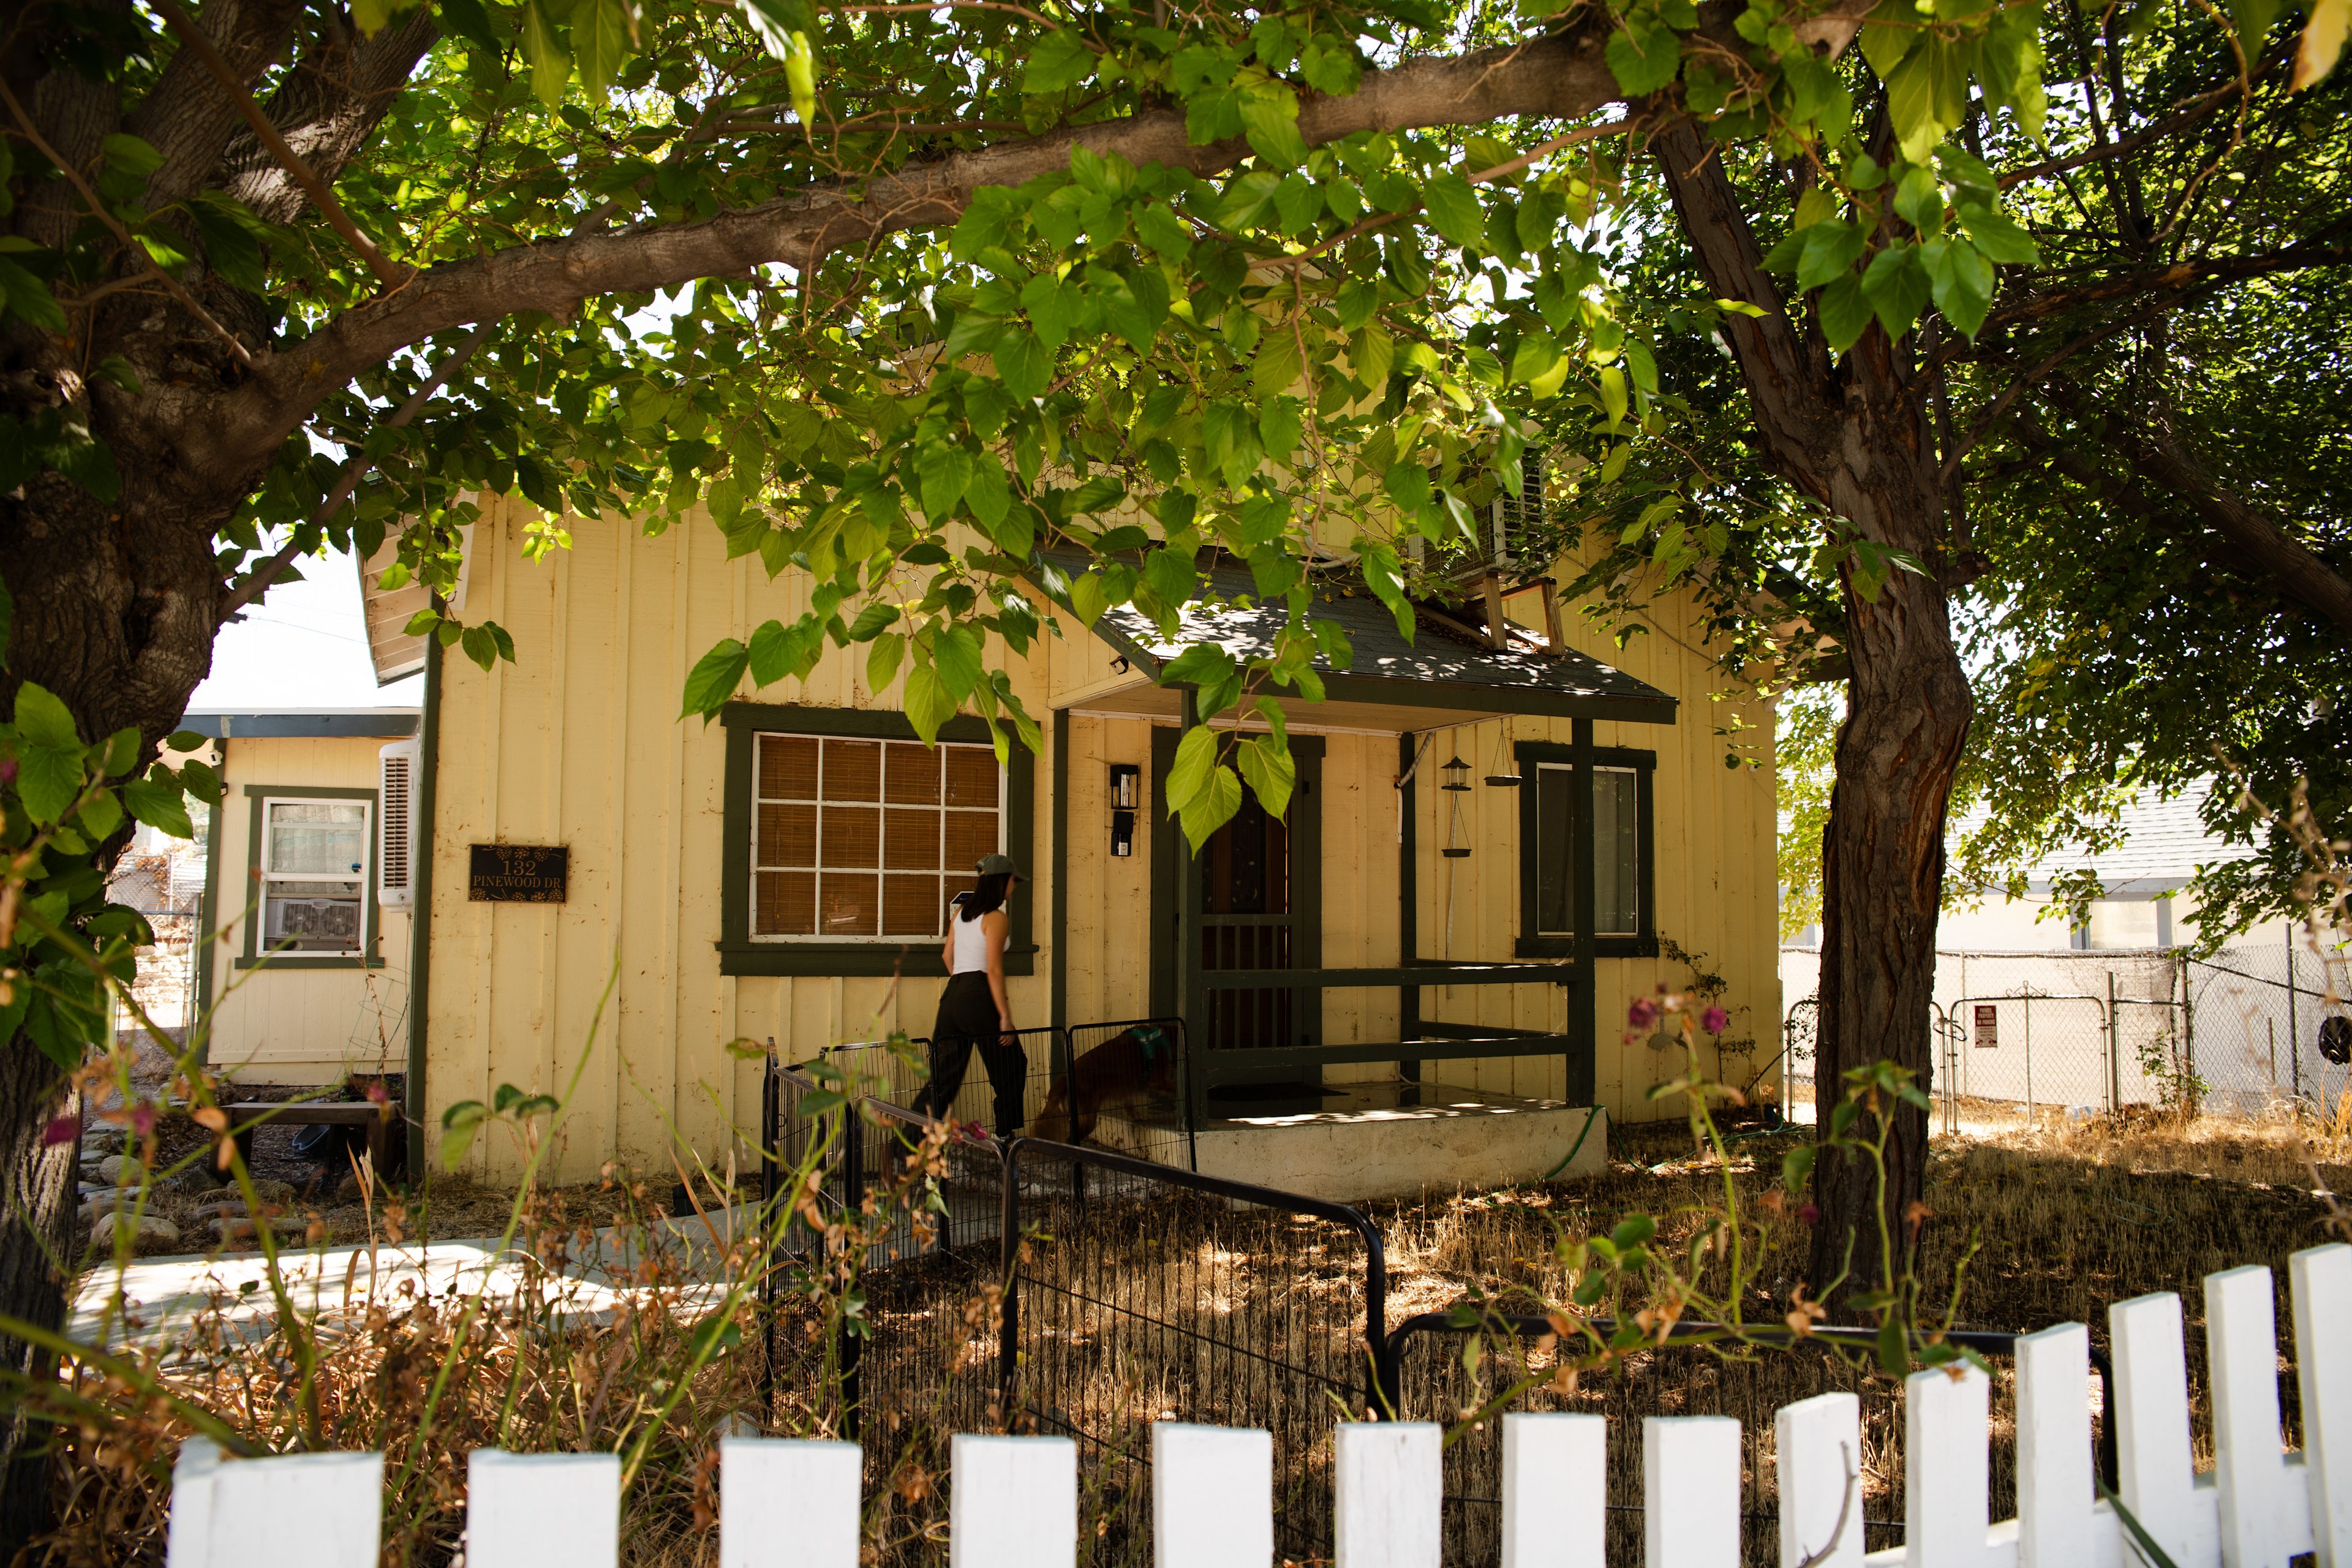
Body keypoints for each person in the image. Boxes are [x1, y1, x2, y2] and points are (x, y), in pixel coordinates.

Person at [915, 853, 1028, 1137]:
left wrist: (962, 985)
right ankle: (1005, 1137)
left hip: (953, 994)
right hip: (978, 994)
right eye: (1013, 880)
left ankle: (904, 1146)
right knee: (1012, 1065)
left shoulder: (962, 913)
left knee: (942, 1080)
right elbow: (994, 970)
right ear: (1001, 882)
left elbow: (947, 956)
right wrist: (1005, 1018)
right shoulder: (996, 918)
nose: (1015, 886)